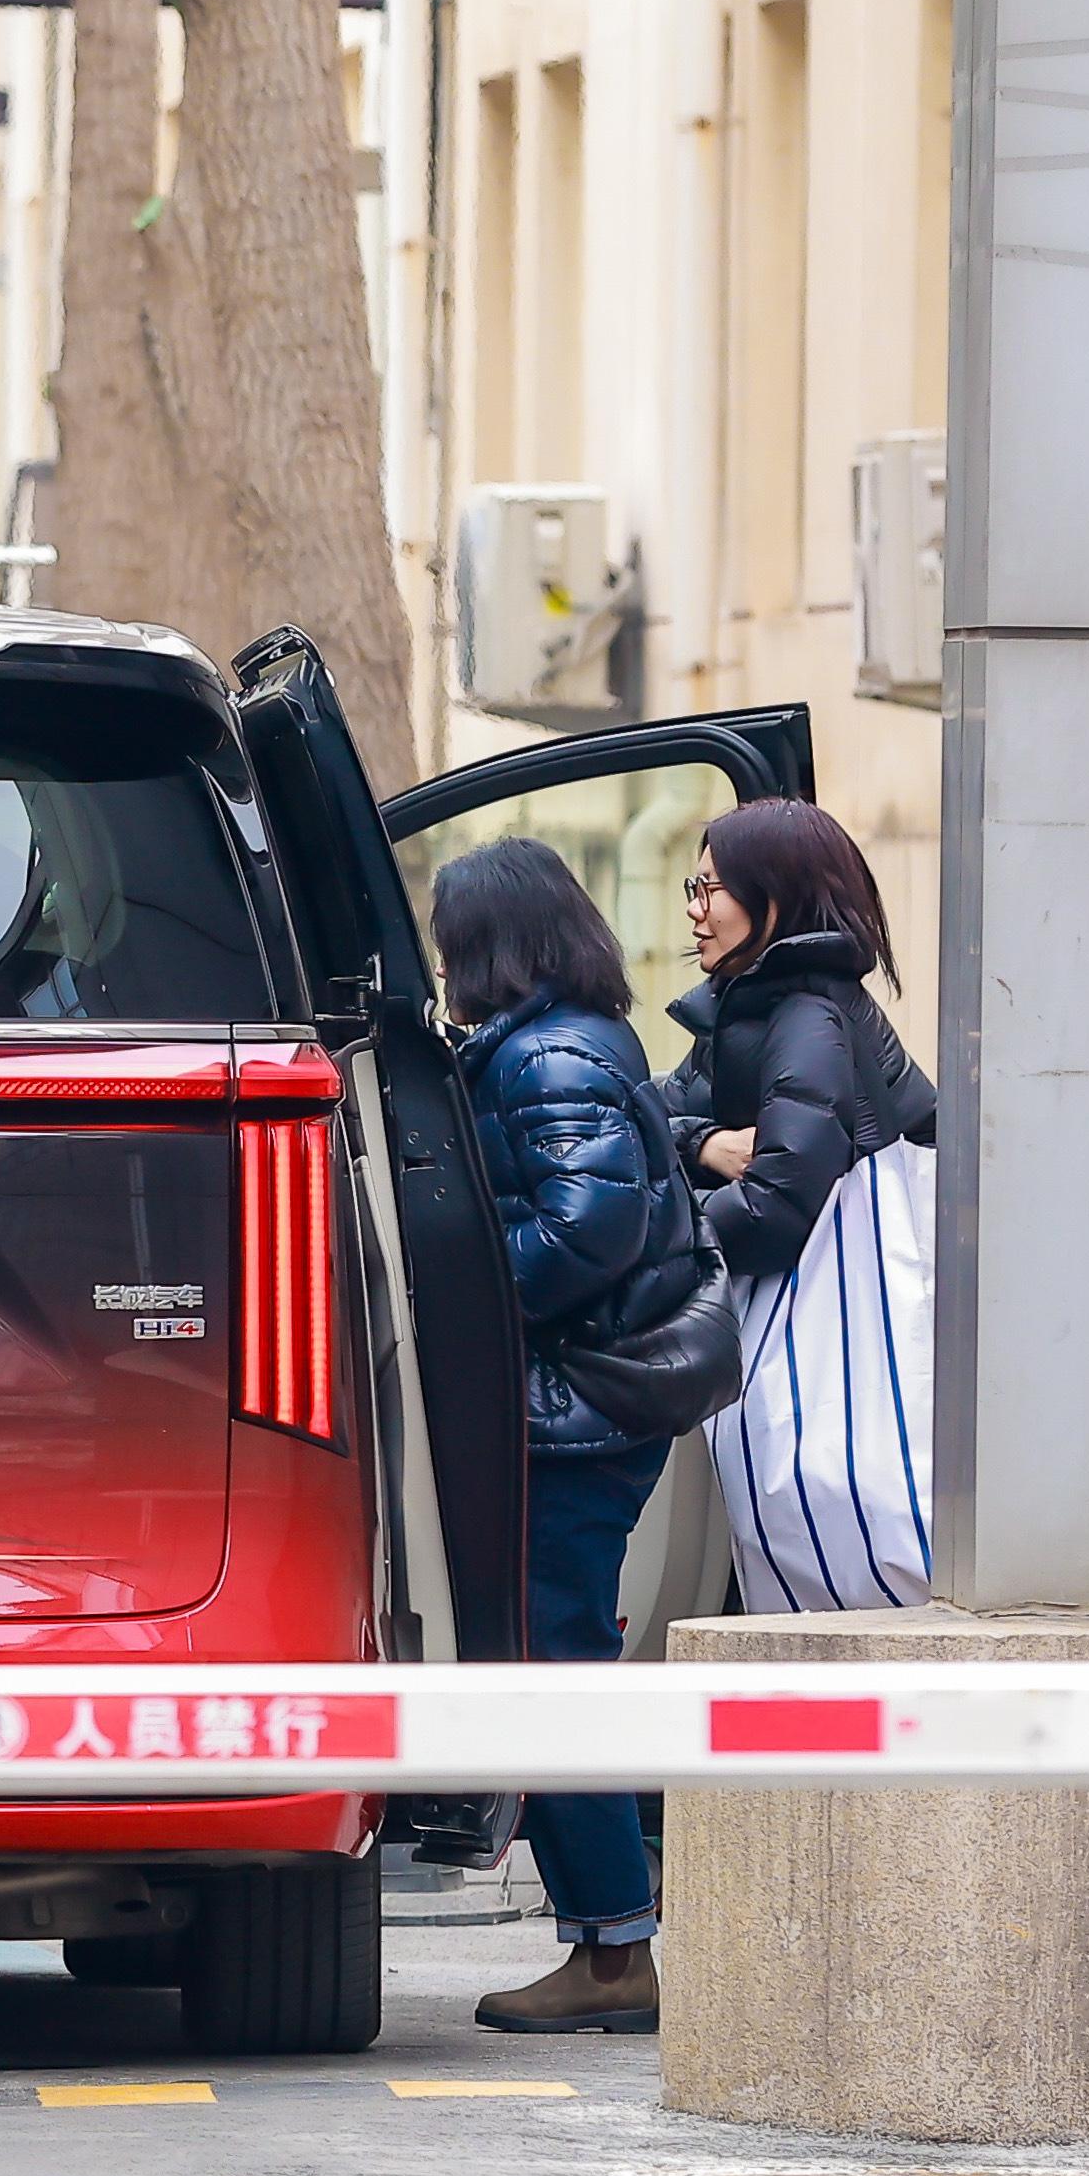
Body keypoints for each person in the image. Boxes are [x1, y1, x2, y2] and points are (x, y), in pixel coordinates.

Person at [434, 838, 722, 2036]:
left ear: (487, 944)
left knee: (554, 1664)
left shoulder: (547, 1054)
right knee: (549, 1656)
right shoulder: (555, 1041)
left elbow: (583, 1230)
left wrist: (448, 1290)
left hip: (578, 1408)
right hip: (579, 1402)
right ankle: (604, 1939)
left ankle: (612, 1953)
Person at [661, 798, 940, 1615]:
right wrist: (705, 1142)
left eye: (708, 887)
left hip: (827, 1307)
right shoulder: (752, 1007)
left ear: (772, 899)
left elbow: (776, 1210)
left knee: (828, 1499)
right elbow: (646, 1116)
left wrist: (658, 1239)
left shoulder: (804, 1017)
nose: (693, 909)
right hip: (819, 1299)